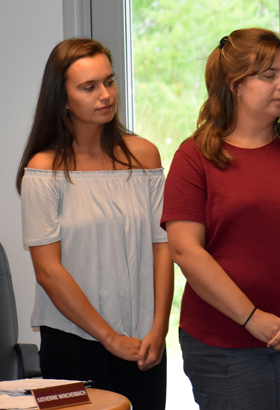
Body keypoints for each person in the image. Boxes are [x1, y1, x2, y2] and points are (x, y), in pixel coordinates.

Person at [161, 28, 280, 409]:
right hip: (223, 343)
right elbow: (186, 251)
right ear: (234, 86)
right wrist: (251, 318)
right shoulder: (193, 157)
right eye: (269, 75)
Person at [17, 38, 172, 408]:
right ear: (63, 97)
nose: (105, 95)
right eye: (89, 87)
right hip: (70, 343)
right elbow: (48, 271)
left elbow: (162, 248)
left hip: (143, 343)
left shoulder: (144, 155)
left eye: (109, 81)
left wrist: (160, 327)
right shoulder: (43, 169)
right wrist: (108, 337)